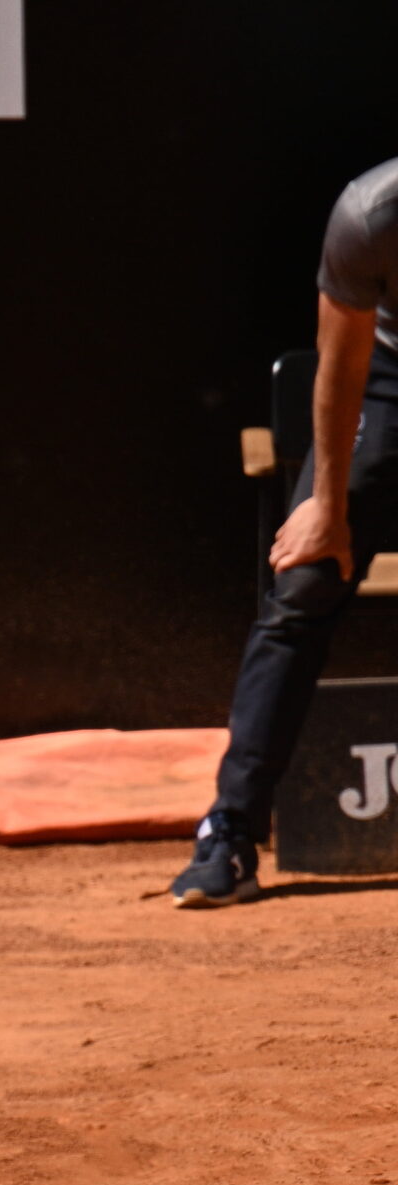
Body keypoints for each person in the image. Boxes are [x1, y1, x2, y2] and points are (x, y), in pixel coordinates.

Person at [173, 156, 398, 906]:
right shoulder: (371, 214)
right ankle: (230, 833)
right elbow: (342, 364)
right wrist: (327, 505)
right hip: (387, 388)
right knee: (305, 579)